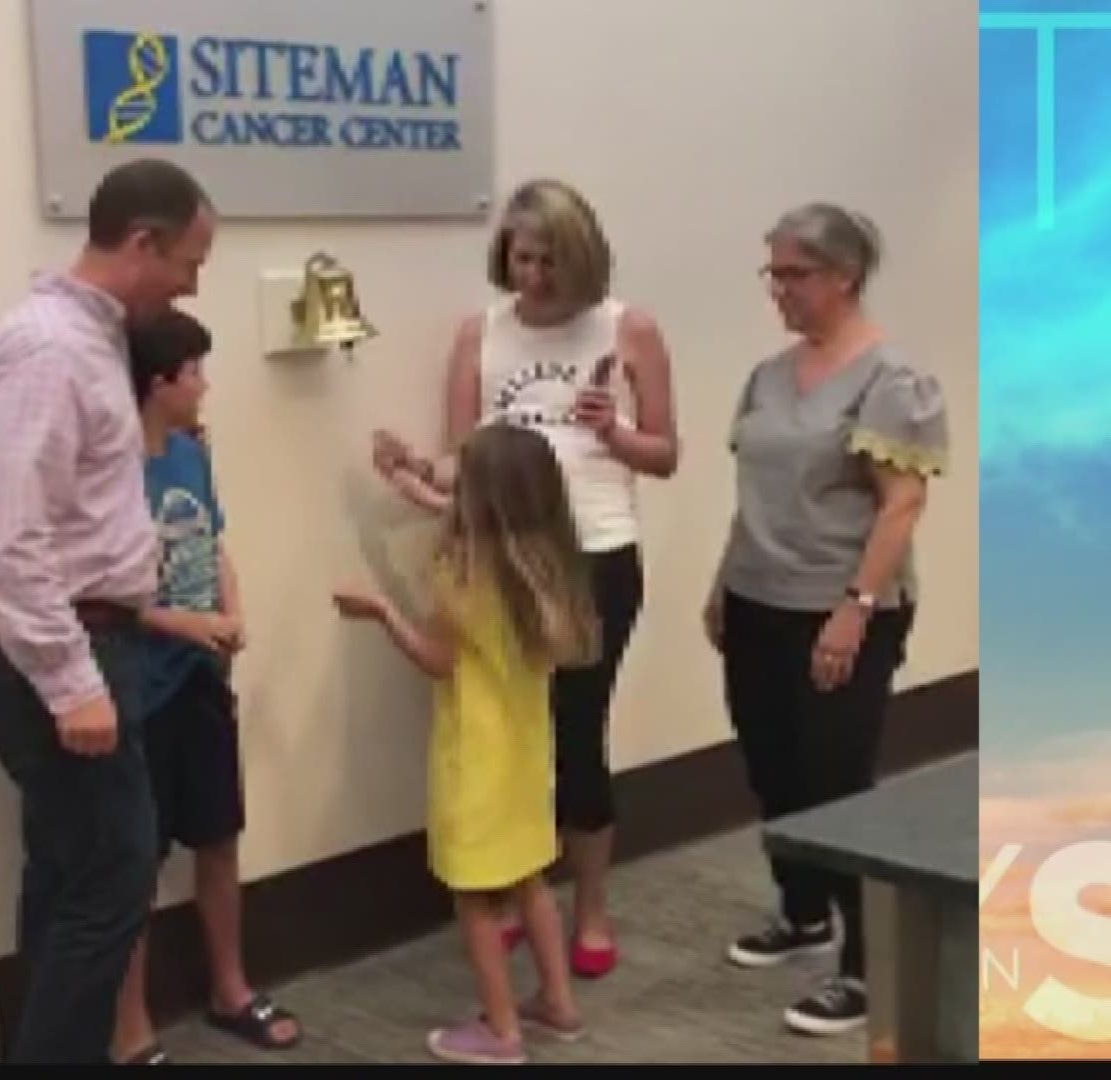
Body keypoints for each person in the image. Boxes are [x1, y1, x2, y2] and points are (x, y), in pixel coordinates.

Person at [370, 178, 678, 979]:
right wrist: (411, 466)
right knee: (510, 735)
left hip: (597, 554)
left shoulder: (628, 330)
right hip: (502, 559)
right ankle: (516, 892)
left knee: (577, 733)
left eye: (549, 260)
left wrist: (617, 432)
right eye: (521, 256)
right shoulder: (482, 333)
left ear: (582, 258)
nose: (533, 275)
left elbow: (667, 455)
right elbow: (461, 457)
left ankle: (592, 906)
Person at [0, 158, 215, 1063]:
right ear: (142, 241)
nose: (191, 283)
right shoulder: (51, 350)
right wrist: (70, 684)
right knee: (110, 881)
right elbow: (8, 537)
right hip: (64, 650)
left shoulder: (92, 341)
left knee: (72, 878)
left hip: (93, 641)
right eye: (189, 260)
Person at [708, 203, 948, 1036]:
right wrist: (721, 582)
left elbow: (901, 504)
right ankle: (802, 912)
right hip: (756, 596)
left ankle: (866, 964)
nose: (778, 289)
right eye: (771, 273)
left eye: (793, 274)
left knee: (835, 781)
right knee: (772, 767)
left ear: (843, 276)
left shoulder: (892, 382)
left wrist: (855, 610)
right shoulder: (769, 375)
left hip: (839, 608)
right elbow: (755, 489)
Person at [335, 422, 595, 1065]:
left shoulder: (462, 572)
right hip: (527, 755)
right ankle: (558, 1004)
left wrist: (383, 614)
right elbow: (459, 511)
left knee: (477, 898)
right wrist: (406, 479)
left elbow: (436, 658)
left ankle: (501, 1032)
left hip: (474, 759)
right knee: (529, 880)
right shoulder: (545, 559)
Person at [109, 309, 303, 1064]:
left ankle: (230, 987)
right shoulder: (116, 471)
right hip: (142, 686)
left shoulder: (191, 454)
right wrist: (182, 625)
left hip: (200, 680)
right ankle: (132, 1029)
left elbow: (211, 542)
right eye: (195, 372)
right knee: (136, 862)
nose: (205, 385)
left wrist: (231, 612)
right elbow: (106, 595)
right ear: (160, 383)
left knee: (218, 837)